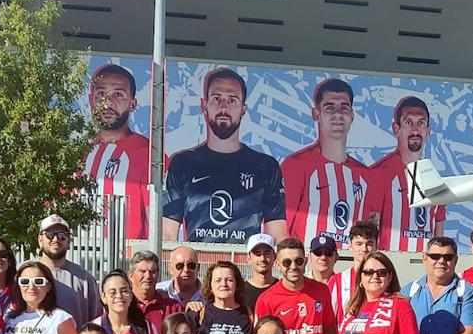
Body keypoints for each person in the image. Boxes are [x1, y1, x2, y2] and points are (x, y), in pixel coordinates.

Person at [163, 66, 287, 244]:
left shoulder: (265, 166)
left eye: (232, 100)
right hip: (198, 266)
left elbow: (278, 235)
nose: (223, 106)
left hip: (246, 268)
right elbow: (167, 235)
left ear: (243, 109)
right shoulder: (182, 163)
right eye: (217, 98)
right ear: (204, 105)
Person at [282, 78, 370, 244]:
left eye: (344, 108)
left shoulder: (364, 174)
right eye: (330, 107)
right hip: (308, 264)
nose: (337, 114)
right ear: (316, 114)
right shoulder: (295, 165)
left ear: (352, 115)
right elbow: (281, 225)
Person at [366, 96, 446, 252]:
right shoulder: (379, 173)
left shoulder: (434, 177)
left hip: (425, 268)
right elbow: (371, 232)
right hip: (389, 267)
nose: (415, 130)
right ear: (397, 129)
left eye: (421, 123)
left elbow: (438, 231)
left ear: (428, 130)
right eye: (409, 123)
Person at [85, 63, 151, 241]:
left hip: (127, 262)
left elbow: (157, 221)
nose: (108, 102)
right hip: (76, 258)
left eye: (118, 94)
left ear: (132, 103)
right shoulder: (77, 155)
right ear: (91, 100)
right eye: (101, 94)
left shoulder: (150, 155)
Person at [255, 238, 337, 334]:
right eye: (287, 262)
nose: (293, 267)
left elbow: (329, 330)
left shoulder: (322, 290)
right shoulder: (266, 299)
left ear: (305, 261)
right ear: (277, 264)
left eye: (298, 261)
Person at [37, 214, 102, 323]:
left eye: (62, 235)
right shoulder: (24, 275)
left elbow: (96, 322)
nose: (56, 239)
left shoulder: (85, 280)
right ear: (40, 240)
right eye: (50, 235)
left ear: (68, 242)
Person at [188, 260, 253, 334]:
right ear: (210, 287)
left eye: (229, 280)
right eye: (218, 280)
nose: (223, 284)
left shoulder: (249, 314)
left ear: (237, 285)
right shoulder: (200, 313)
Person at [96, 270, 158, 334]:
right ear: (103, 298)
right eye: (112, 292)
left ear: (131, 294)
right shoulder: (95, 328)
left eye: (124, 291)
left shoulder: (147, 328)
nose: (119, 296)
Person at [326, 222, 378, 321]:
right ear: (350, 245)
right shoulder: (338, 281)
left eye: (369, 244)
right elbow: (328, 320)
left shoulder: (383, 279)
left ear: (376, 246)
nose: (364, 249)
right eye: (359, 244)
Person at [128, 251, 183, 330]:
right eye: (142, 271)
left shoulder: (173, 308)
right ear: (130, 276)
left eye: (152, 272)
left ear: (158, 275)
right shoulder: (123, 305)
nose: (148, 276)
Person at [242, 233, 278, 312]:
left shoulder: (283, 289)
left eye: (267, 253)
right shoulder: (239, 292)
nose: (262, 258)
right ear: (248, 258)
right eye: (257, 254)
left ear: (274, 257)